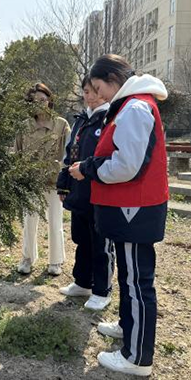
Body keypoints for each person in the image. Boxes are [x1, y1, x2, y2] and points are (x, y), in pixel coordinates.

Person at [69, 54, 168, 376]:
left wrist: (89, 168)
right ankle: (128, 326)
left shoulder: (135, 108)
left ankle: (137, 358)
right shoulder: (130, 105)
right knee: (128, 276)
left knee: (137, 281)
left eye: (99, 88)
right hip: (129, 208)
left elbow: (127, 166)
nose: (99, 95)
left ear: (114, 79)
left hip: (134, 208)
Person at [57, 75, 114, 311]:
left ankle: (102, 290)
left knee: (101, 243)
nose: (90, 96)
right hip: (79, 191)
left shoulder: (111, 118)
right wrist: (63, 181)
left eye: (94, 91)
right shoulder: (81, 120)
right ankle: (83, 282)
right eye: (86, 91)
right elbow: (70, 152)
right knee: (81, 239)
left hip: (101, 190)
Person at [15, 83, 71, 276]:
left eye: (42, 100)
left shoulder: (61, 124)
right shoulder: (24, 126)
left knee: (55, 223)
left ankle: (55, 261)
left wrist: (64, 181)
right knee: (29, 222)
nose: (39, 104)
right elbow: (17, 153)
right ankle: (27, 258)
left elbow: (68, 154)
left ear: (50, 100)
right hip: (31, 183)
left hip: (54, 183)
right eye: (33, 101)